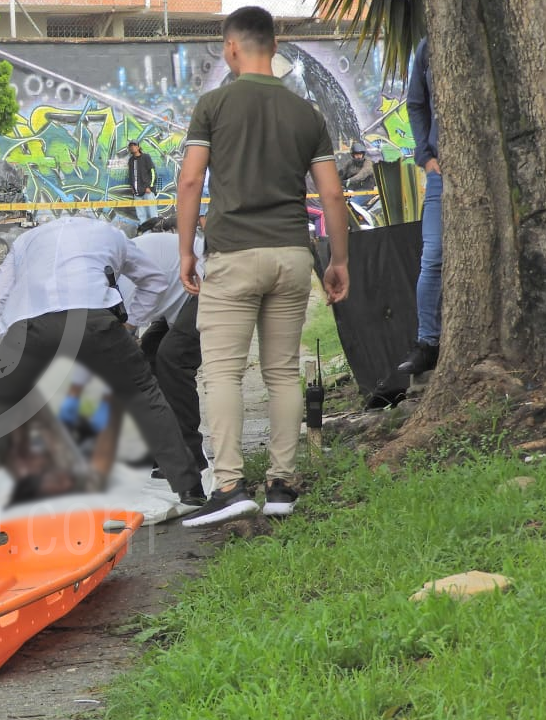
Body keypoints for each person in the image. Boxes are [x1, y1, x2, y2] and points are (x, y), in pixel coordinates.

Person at [0, 216, 205, 536]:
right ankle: (189, 487)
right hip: (95, 320)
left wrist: (12, 343)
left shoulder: (25, 242)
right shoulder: (111, 234)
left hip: (30, 326)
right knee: (145, 398)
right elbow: (155, 280)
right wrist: (130, 325)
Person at [174, 5, 350, 528]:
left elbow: (189, 183)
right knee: (281, 372)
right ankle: (281, 484)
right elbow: (333, 194)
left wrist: (186, 250)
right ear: (274, 47)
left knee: (223, 371)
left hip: (233, 253)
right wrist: (336, 259)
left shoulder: (213, 104)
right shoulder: (307, 115)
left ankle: (229, 486)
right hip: (293, 256)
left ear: (231, 48)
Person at [58, 232, 208, 474]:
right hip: (174, 298)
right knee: (149, 359)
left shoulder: (113, 285)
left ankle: (190, 456)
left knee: (172, 358)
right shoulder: (89, 290)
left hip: (204, 284)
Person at [398, 37, 442, 376]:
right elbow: (416, 104)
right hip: (441, 171)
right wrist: (426, 157)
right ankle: (427, 343)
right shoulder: (428, 46)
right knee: (433, 256)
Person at [128, 140, 159, 225]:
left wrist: (150, 187)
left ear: (138, 147)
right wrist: (132, 188)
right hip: (137, 193)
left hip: (147, 191)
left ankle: (155, 232)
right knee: (141, 215)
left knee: (153, 214)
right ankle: (145, 234)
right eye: (131, 146)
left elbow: (153, 172)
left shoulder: (146, 157)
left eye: (134, 145)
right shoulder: (131, 160)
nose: (132, 147)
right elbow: (131, 175)